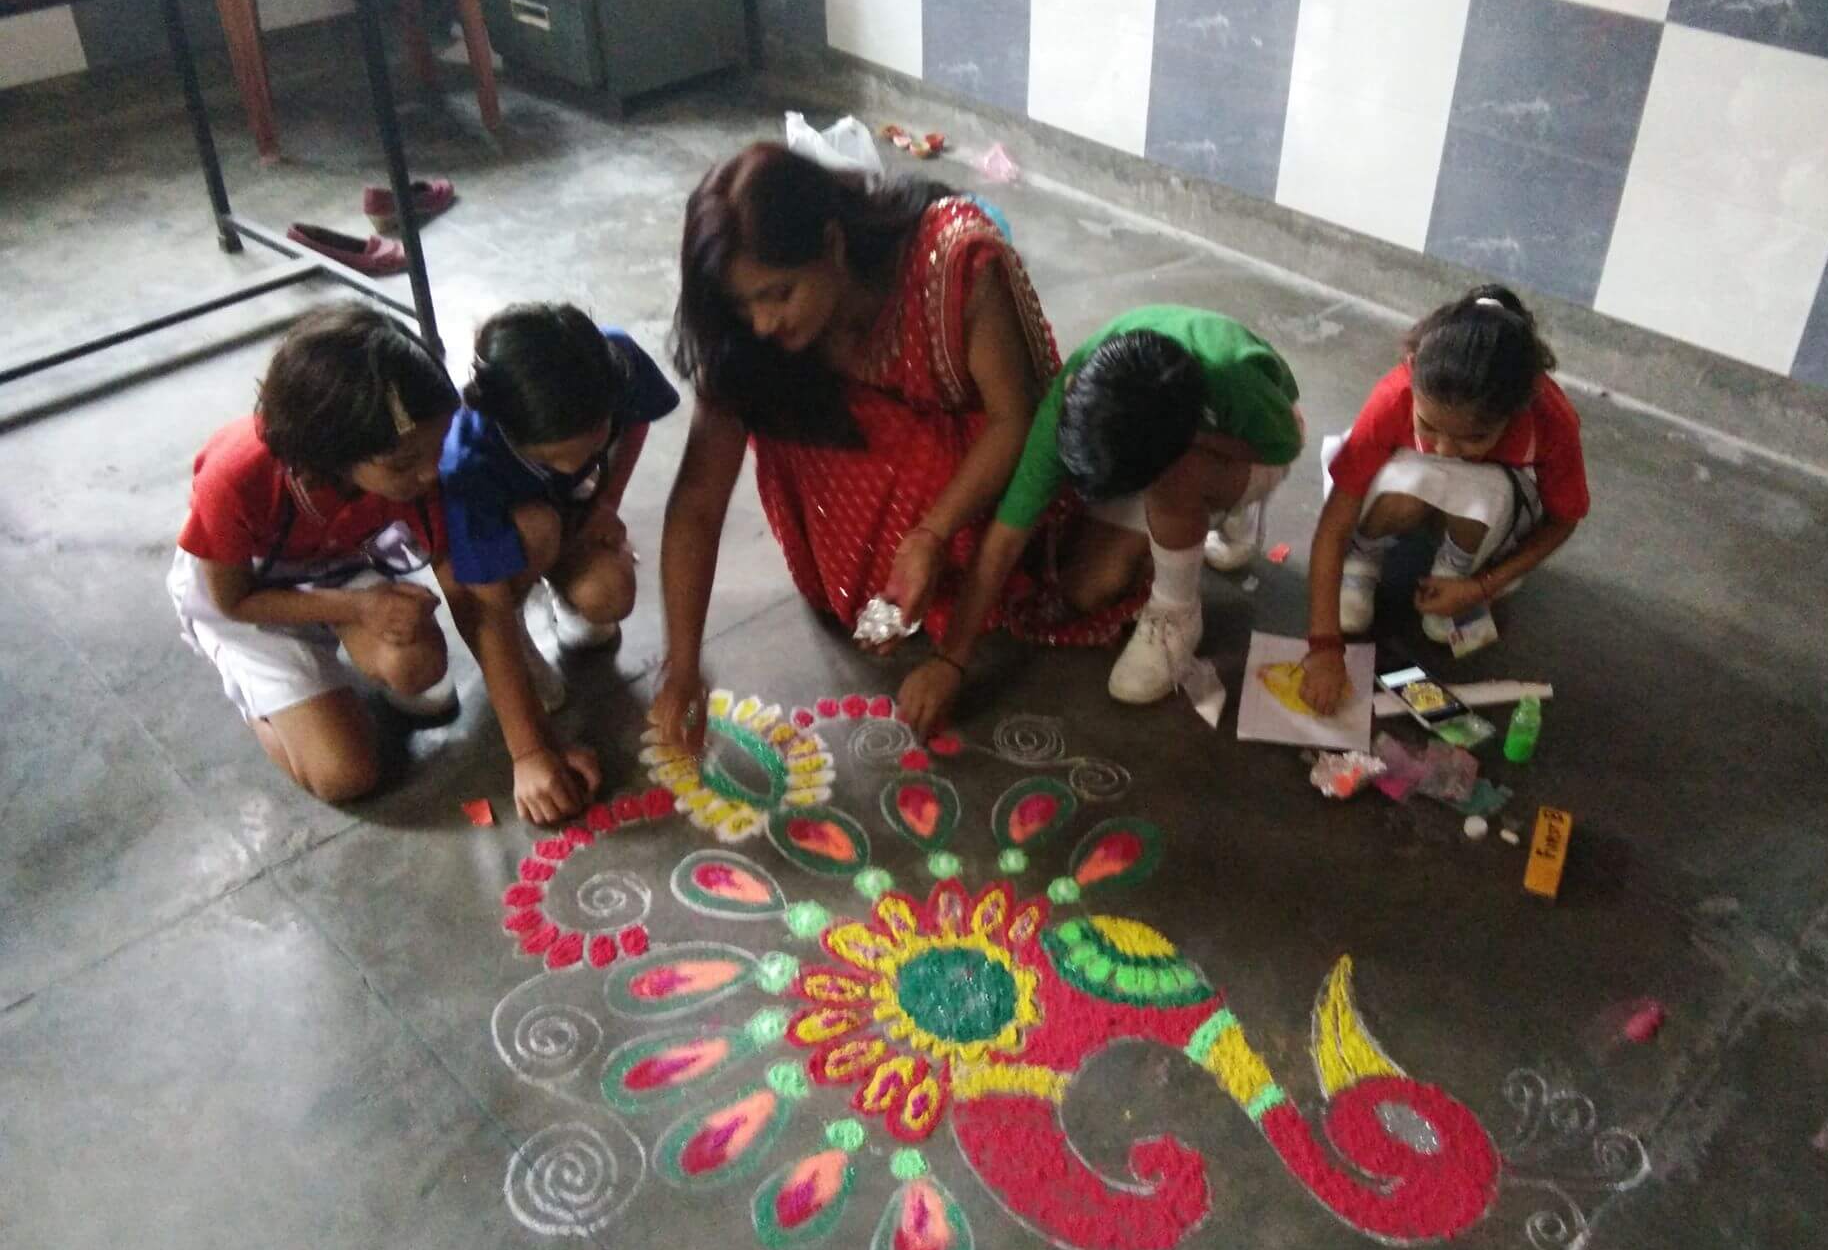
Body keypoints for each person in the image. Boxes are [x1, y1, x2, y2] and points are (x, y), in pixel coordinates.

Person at [651, 142, 1131, 749]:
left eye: (778, 293)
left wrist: (931, 532)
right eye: (743, 303)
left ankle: (976, 570)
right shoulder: (745, 338)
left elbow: (1017, 419)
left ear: (832, 243)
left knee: (1083, 577)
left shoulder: (952, 262)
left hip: (969, 474)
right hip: (859, 495)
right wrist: (683, 668)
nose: (763, 324)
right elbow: (697, 499)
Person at [898, 306, 1304, 734]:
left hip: (1256, 434)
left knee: (1180, 477)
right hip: (1173, 437)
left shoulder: (1232, 377)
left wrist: (1201, 445)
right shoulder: (1076, 398)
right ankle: (1190, 514)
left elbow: (1283, 445)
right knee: (1088, 590)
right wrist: (949, 660)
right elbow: (1004, 539)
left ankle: (1178, 611)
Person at [168, 304, 459, 803]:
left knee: (417, 667)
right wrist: (360, 608)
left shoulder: (414, 451)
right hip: (248, 602)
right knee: (346, 776)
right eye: (404, 463)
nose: (431, 472)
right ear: (331, 452)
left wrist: (529, 742)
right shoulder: (235, 478)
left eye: (440, 446)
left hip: (341, 574)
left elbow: (465, 584)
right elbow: (232, 601)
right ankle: (259, 695)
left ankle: (335, 682)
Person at [438, 302, 679, 825]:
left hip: (572, 516)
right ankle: (529, 617)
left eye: (590, 445)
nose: (574, 465)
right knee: (536, 528)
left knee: (607, 598)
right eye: (552, 459)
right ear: (509, 431)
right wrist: (529, 754)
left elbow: (636, 421)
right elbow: (481, 606)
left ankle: (566, 597)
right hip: (512, 547)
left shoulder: (614, 362)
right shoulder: (467, 464)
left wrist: (606, 500)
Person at [1297, 285, 1588, 716]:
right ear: (1412, 374)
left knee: (1482, 490)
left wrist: (1480, 586)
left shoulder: (1549, 419)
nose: (1445, 449)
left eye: (1474, 436)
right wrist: (1323, 646)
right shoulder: (1394, 396)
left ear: (1520, 409)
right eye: (1428, 426)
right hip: (1406, 494)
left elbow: (1564, 519)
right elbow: (1336, 520)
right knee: (1412, 473)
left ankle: (1455, 569)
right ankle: (1363, 564)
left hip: (1489, 506)